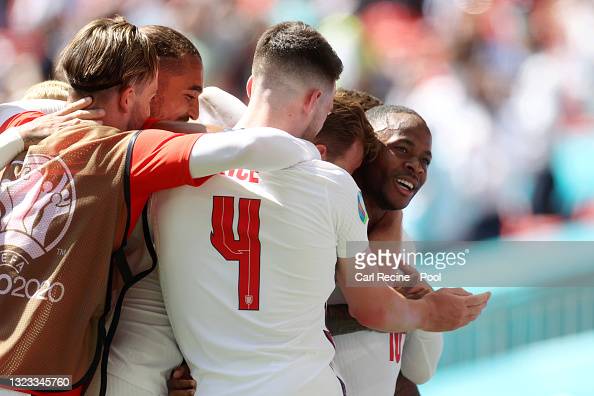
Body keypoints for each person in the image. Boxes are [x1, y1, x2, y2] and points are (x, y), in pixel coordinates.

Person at [153, 21, 490, 396]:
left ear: (252, 88)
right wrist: (431, 311)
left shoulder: (170, 173)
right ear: (314, 101)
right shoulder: (331, 186)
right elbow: (373, 307)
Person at [0, 17, 318, 396]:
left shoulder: (24, 121)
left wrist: (19, 135)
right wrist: (322, 164)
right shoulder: (133, 152)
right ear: (128, 95)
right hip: (49, 379)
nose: (196, 111)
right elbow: (258, 145)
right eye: (155, 95)